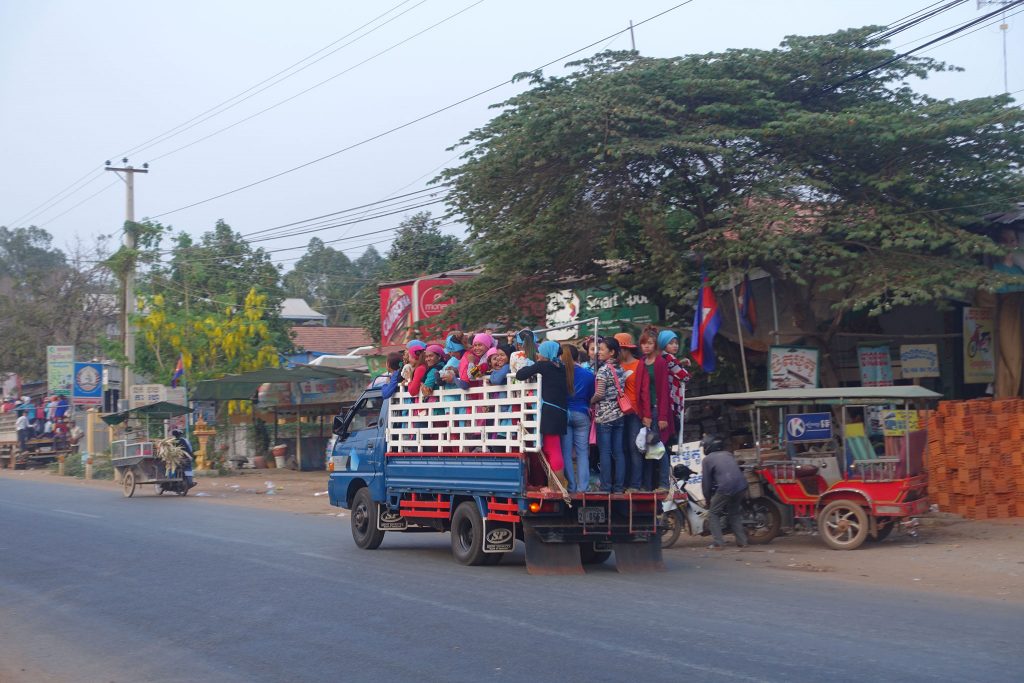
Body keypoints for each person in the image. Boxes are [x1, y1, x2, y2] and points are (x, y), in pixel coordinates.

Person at [515, 339, 568, 491]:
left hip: (550, 413)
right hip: (561, 412)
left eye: (541, 351)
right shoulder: (561, 367)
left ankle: (556, 487)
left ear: (546, 353)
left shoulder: (543, 366)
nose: (538, 354)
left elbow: (520, 375)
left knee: (553, 449)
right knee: (555, 448)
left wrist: (529, 364)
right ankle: (557, 484)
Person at [614, 332, 650, 492]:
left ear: (625, 349)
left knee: (634, 448)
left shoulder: (639, 365)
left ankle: (635, 485)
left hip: (635, 412)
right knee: (622, 449)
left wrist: (646, 415)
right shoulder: (614, 366)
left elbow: (645, 391)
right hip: (618, 413)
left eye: (618, 349)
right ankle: (624, 483)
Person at [590, 337, 627, 493]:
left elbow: (599, 394)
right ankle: (618, 487)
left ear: (611, 352)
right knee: (618, 452)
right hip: (619, 414)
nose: (599, 352)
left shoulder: (603, 370)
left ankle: (606, 486)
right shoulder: (620, 369)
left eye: (602, 349)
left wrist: (589, 401)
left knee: (604, 452)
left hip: (604, 416)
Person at [640, 328, 675, 491]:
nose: (646, 347)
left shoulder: (660, 362)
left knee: (658, 446)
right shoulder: (641, 362)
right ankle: (647, 485)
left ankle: (664, 483)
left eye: (650, 343)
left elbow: (664, 392)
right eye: (643, 344)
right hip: (644, 411)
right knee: (646, 448)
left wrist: (662, 416)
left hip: (656, 409)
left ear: (655, 345)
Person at [700, 433, 749, 549]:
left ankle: (718, 542)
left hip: (727, 487)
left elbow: (706, 483)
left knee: (713, 513)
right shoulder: (728, 454)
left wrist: (707, 500)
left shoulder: (707, 460)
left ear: (708, 447)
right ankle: (742, 542)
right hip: (741, 485)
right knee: (734, 513)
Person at [560, 344, 595, 493]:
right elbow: (591, 397)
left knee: (566, 453)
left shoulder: (560, 373)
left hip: (564, 414)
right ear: (578, 357)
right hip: (582, 414)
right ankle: (583, 488)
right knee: (582, 453)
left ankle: (572, 487)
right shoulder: (588, 375)